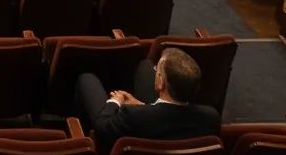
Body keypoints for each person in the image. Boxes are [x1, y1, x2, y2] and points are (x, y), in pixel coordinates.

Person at [75, 47, 220, 146]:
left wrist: (115, 101)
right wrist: (144, 107)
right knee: (145, 65)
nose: (155, 71)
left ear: (161, 83)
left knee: (87, 79)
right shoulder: (210, 117)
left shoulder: (132, 116)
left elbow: (102, 126)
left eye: (157, 70)